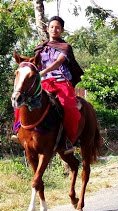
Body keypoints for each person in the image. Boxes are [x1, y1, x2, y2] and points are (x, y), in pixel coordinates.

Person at [12, 16, 83, 154]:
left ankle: (68, 140)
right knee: (20, 100)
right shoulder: (40, 48)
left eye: (57, 27)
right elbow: (34, 62)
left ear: (62, 30)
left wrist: (43, 71)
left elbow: (58, 62)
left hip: (62, 82)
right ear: (47, 29)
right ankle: (17, 129)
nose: (54, 29)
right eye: (52, 27)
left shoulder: (65, 47)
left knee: (69, 107)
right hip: (43, 82)